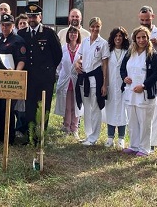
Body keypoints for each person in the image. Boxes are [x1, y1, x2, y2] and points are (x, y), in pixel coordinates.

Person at [17, 4, 63, 142]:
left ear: (40, 17)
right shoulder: (22, 33)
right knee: (30, 108)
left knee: (43, 107)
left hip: (45, 79)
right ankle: (31, 135)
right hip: (29, 78)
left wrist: (48, 69)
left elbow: (58, 55)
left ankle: (41, 135)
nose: (32, 19)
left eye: (34, 16)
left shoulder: (49, 33)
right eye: (30, 16)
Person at [120, 26, 157, 156]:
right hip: (130, 93)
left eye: (144, 37)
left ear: (148, 38)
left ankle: (144, 149)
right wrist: (124, 77)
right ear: (134, 39)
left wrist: (143, 86)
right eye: (138, 37)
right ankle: (134, 146)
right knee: (132, 121)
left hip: (144, 94)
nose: (141, 40)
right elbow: (122, 69)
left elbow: (156, 74)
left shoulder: (152, 54)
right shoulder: (129, 53)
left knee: (144, 122)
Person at [0, 14, 27, 144]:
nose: (5, 27)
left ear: (13, 26)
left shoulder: (18, 40)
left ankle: (9, 138)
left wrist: (15, 75)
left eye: (8, 25)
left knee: (7, 109)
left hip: (10, 81)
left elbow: (21, 60)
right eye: (3, 24)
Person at [74, 17, 109, 146]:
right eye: (93, 26)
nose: (95, 29)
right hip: (84, 78)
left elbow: (105, 64)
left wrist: (105, 83)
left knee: (95, 108)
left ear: (100, 27)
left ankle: (94, 137)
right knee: (86, 108)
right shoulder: (84, 41)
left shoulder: (103, 43)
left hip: (95, 79)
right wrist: (77, 64)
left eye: (97, 26)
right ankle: (88, 135)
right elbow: (80, 57)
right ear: (89, 27)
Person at [138, 5, 157, 152]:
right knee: (141, 110)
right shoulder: (137, 34)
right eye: (142, 20)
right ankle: (140, 140)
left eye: (147, 19)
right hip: (141, 77)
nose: (144, 22)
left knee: (155, 109)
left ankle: (152, 142)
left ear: (152, 17)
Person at [54, 26, 83, 140]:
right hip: (65, 80)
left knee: (76, 106)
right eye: (70, 33)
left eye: (75, 33)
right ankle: (66, 127)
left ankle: (74, 128)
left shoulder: (81, 48)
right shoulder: (63, 48)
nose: (73, 35)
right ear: (68, 35)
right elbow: (59, 65)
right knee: (67, 106)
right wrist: (61, 75)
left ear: (78, 35)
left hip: (76, 80)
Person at [104, 27, 130, 149]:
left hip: (124, 86)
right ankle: (110, 137)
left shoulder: (128, 52)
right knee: (110, 109)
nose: (118, 38)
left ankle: (121, 138)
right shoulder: (108, 51)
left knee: (122, 111)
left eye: (120, 36)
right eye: (116, 36)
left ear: (124, 38)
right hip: (111, 84)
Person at [13, 13, 28, 137]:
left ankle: (22, 128)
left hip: (27, 76)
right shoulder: (14, 39)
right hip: (13, 75)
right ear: (17, 26)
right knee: (15, 104)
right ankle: (15, 128)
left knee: (23, 104)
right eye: (21, 23)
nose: (23, 25)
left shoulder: (30, 38)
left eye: (25, 23)